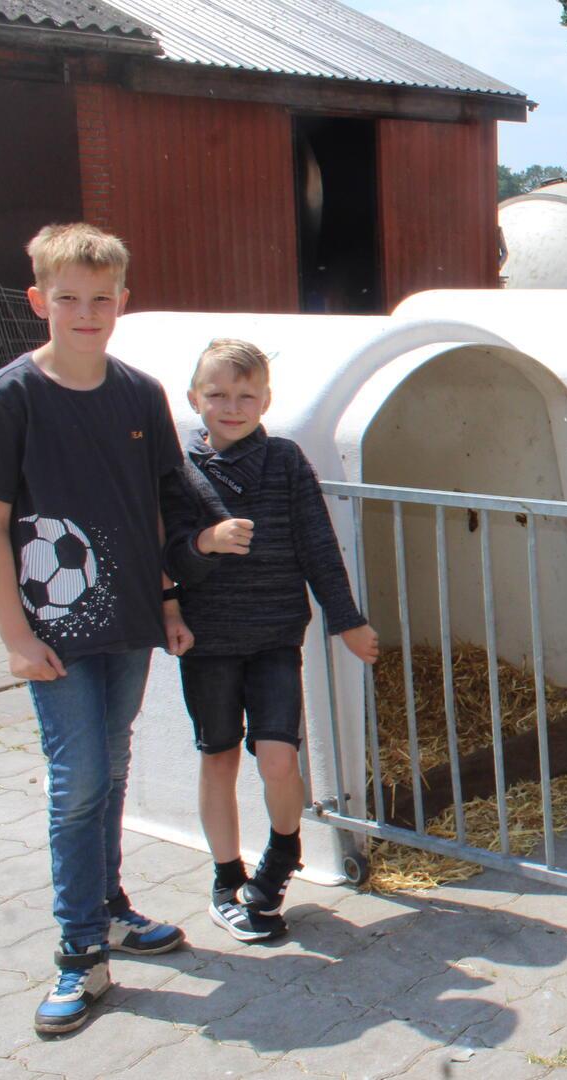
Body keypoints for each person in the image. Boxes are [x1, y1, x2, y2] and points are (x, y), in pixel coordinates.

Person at [0, 224, 193, 1035]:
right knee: (76, 783)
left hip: (132, 622)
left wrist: (170, 603)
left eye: (102, 299)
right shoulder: (11, 396)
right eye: (68, 298)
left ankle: (108, 910)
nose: (86, 312)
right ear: (39, 301)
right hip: (53, 636)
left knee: (112, 765)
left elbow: (161, 511)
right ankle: (78, 957)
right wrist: (13, 636)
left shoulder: (141, 394)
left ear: (123, 304)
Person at [163, 338, 379, 942]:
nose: (231, 406)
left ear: (266, 399)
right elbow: (168, 555)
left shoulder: (285, 461)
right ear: (194, 398)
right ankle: (226, 877)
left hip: (276, 637)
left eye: (245, 395)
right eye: (217, 394)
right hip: (208, 642)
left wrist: (346, 619)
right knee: (219, 756)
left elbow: (316, 544)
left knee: (279, 758)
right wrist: (205, 544)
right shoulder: (178, 472)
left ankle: (281, 859)